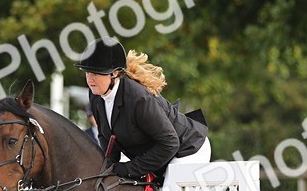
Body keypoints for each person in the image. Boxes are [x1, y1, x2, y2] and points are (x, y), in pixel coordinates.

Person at [77, 37, 211, 180]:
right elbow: (105, 136)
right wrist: (108, 165)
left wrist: (127, 168)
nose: (89, 79)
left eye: (95, 74)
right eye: (87, 73)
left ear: (114, 73)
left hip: (187, 150)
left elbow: (169, 143)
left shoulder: (139, 99)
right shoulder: (96, 95)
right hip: (159, 158)